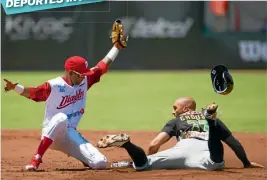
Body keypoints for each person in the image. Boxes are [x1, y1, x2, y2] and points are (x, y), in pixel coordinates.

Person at [3, 38, 126, 170]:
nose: (84, 76)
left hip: (70, 134)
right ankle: (36, 158)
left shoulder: (85, 80)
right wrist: (15, 88)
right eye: (81, 74)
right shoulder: (55, 85)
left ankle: (83, 157)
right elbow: (34, 93)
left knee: (100, 164)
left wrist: (116, 47)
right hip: (52, 132)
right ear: (71, 73)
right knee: (61, 118)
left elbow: (102, 66)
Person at [97, 97, 264, 171]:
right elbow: (233, 143)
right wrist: (246, 163)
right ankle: (211, 126)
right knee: (216, 162)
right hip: (205, 148)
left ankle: (127, 144)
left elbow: (154, 144)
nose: (172, 112)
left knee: (143, 165)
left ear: (185, 109)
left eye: (175, 108)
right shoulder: (208, 118)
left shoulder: (176, 120)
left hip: (182, 148)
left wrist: (149, 161)